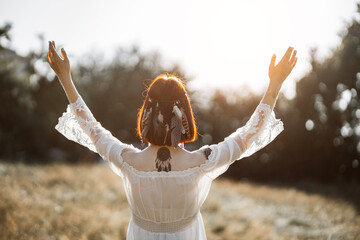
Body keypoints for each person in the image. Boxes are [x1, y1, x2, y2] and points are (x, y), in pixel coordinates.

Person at [47, 41, 297, 240]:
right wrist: (275, 84)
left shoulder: (128, 160)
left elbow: (92, 128)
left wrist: (65, 78)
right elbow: (248, 134)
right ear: (185, 114)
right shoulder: (202, 162)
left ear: (147, 114)